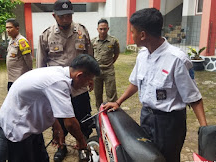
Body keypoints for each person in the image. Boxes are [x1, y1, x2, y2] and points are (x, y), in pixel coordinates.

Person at [103, 8, 207, 162]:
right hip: (146, 117)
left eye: (133, 32)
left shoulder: (177, 60)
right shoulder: (142, 56)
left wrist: (205, 129)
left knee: (167, 159)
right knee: (146, 156)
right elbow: (135, 83)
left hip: (169, 124)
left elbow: (194, 98)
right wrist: (118, 102)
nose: (131, 36)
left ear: (143, 35)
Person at [0, 54, 100, 162]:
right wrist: (82, 143)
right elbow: (70, 123)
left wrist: (57, 127)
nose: (87, 85)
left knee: (43, 159)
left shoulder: (59, 73)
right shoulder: (59, 82)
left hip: (30, 124)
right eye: (88, 81)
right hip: (17, 127)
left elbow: (47, 103)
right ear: (79, 75)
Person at [36, 0, 94, 161]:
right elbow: (41, 65)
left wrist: (91, 79)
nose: (66, 19)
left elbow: (90, 58)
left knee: (83, 119)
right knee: (60, 122)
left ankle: (82, 145)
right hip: (57, 89)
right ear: (54, 16)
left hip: (79, 88)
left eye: (68, 15)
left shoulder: (82, 31)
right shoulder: (46, 35)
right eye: (62, 16)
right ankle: (61, 147)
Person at [91, 19, 119, 109]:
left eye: (105, 29)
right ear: (97, 29)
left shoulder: (113, 41)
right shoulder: (93, 42)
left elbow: (116, 53)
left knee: (111, 94)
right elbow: (90, 55)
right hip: (97, 72)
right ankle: (100, 114)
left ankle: (112, 113)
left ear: (108, 29)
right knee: (97, 95)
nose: (103, 31)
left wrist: (110, 63)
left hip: (108, 71)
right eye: (101, 29)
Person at [5, 18, 32, 91]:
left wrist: (29, 74)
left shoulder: (22, 41)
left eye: (10, 27)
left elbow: (28, 59)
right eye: (6, 28)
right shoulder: (11, 40)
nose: (8, 30)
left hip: (20, 78)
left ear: (17, 28)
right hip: (11, 78)